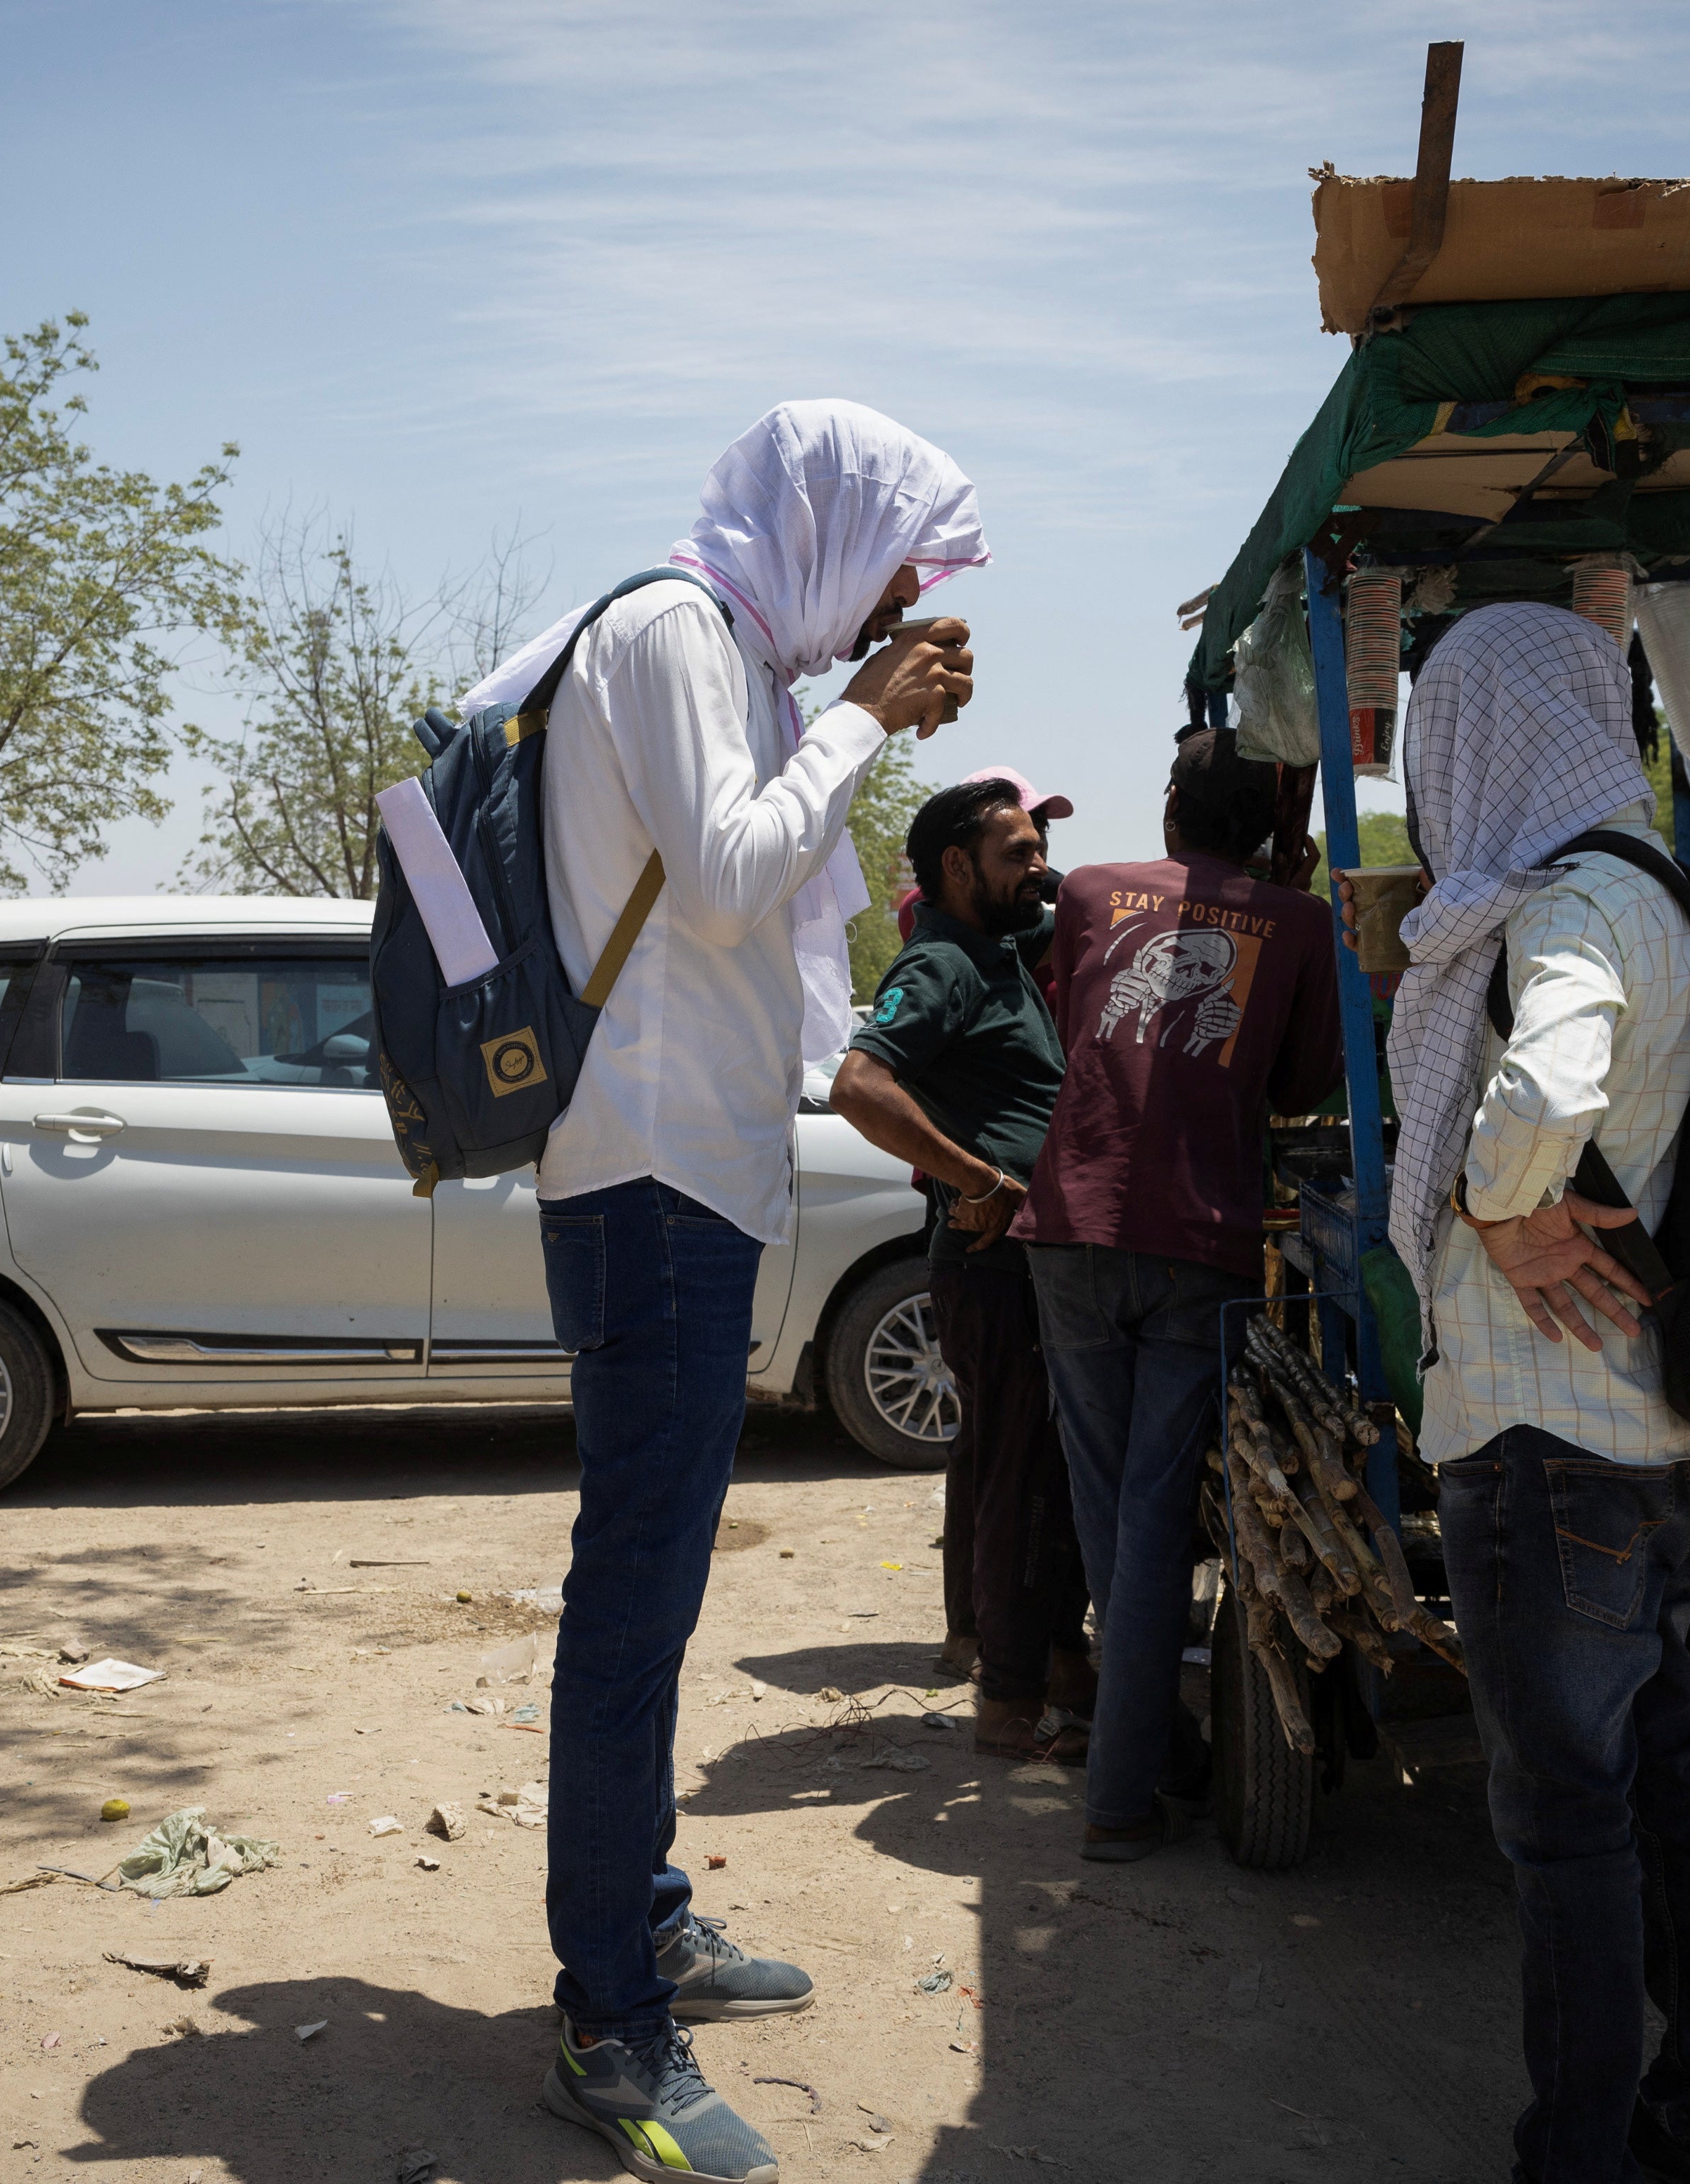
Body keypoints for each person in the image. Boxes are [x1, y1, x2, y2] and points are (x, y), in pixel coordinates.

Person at [489, 400, 983, 2184]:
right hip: (644, 1180)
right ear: (833, 529)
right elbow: (724, 875)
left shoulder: (727, 658)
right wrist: (868, 716)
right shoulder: (677, 633)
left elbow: (782, 954)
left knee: (659, 1589)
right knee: (634, 1602)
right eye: (903, 559)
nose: (912, 600)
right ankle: (610, 2016)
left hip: (681, 1172)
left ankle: (643, 1913)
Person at [1381, 602, 1690, 2184]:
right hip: (1659, 1444)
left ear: (1483, 738)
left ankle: (1579, 2154)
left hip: (1546, 1446)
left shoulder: (1568, 907)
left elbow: (1544, 1086)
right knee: (1668, 1781)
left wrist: (1492, 1202)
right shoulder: (1668, 891)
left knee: (1565, 1827)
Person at [1013, 727, 1341, 1862]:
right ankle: (1121, 1794)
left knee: (1113, 1508)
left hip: (1069, 1221)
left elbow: (1085, 1037)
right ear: (1272, 832)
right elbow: (1300, 1086)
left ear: (1169, 816)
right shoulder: (1302, 924)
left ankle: (1146, 1762)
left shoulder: (1095, 887)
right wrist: (1281, 909)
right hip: (1199, 1237)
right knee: (1148, 1516)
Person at [832, 772, 1092, 1764]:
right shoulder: (941, 962)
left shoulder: (998, 948)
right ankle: (1010, 1704)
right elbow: (858, 1082)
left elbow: (1072, 907)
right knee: (1021, 1480)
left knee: (1038, 1471)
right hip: (991, 1265)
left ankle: (1055, 1666)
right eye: (1016, 853)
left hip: (1023, 1265)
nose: (1037, 867)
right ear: (955, 866)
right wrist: (978, 1176)